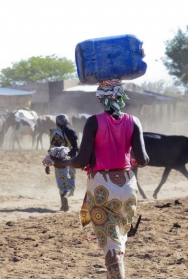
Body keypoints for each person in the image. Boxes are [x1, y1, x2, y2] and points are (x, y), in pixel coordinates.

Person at [51, 78, 149, 279]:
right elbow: (144, 159)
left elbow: (81, 161)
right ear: (121, 97)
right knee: (119, 237)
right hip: (128, 186)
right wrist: (127, 155)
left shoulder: (94, 122)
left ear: (101, 99)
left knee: (110, 245)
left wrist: (63, 162)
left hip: (102, 187)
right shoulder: (134, 121)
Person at [45, 114, 79, 211]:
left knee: (61, 184)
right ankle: (66, 196)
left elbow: (51, 150)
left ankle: (64, 206)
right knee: (70, 186)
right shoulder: (71, 132)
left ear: (56, 123)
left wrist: (48, 165)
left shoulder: (53, 133)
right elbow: (76, 147)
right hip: (70, 161)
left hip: (57, 163)